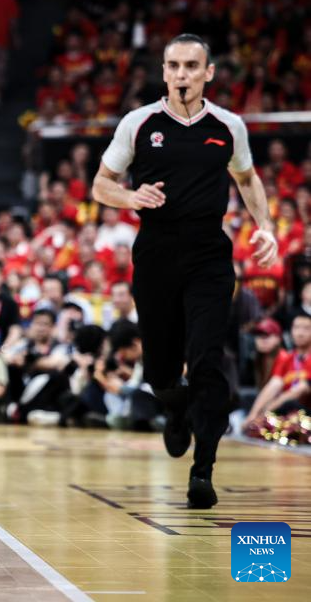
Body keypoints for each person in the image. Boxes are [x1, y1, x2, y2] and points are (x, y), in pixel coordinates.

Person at [92, 33, 277, 509]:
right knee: (160, 371)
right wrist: (130, 197)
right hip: (155, 253)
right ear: (164, 72)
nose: (181, 74)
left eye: (191, 66)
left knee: (207, 361)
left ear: (208, 73)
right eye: (173, 65)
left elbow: (247, 179)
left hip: (209, 255)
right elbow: (100, 184)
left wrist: (265, 227)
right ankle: (174, 409)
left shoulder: (229, 126)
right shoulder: (138, 123)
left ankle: (203, 471)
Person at [242, 314, 311, 429]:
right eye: (296, 327)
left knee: (289, 404)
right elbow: (274, 384)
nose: (300, 333)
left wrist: (264, 412)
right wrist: (252, 415)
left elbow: (300, 389)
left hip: (303, 409)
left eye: (306, 328)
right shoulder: (288, 358)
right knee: (247, 398)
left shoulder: (284, 355)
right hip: (284, 406)